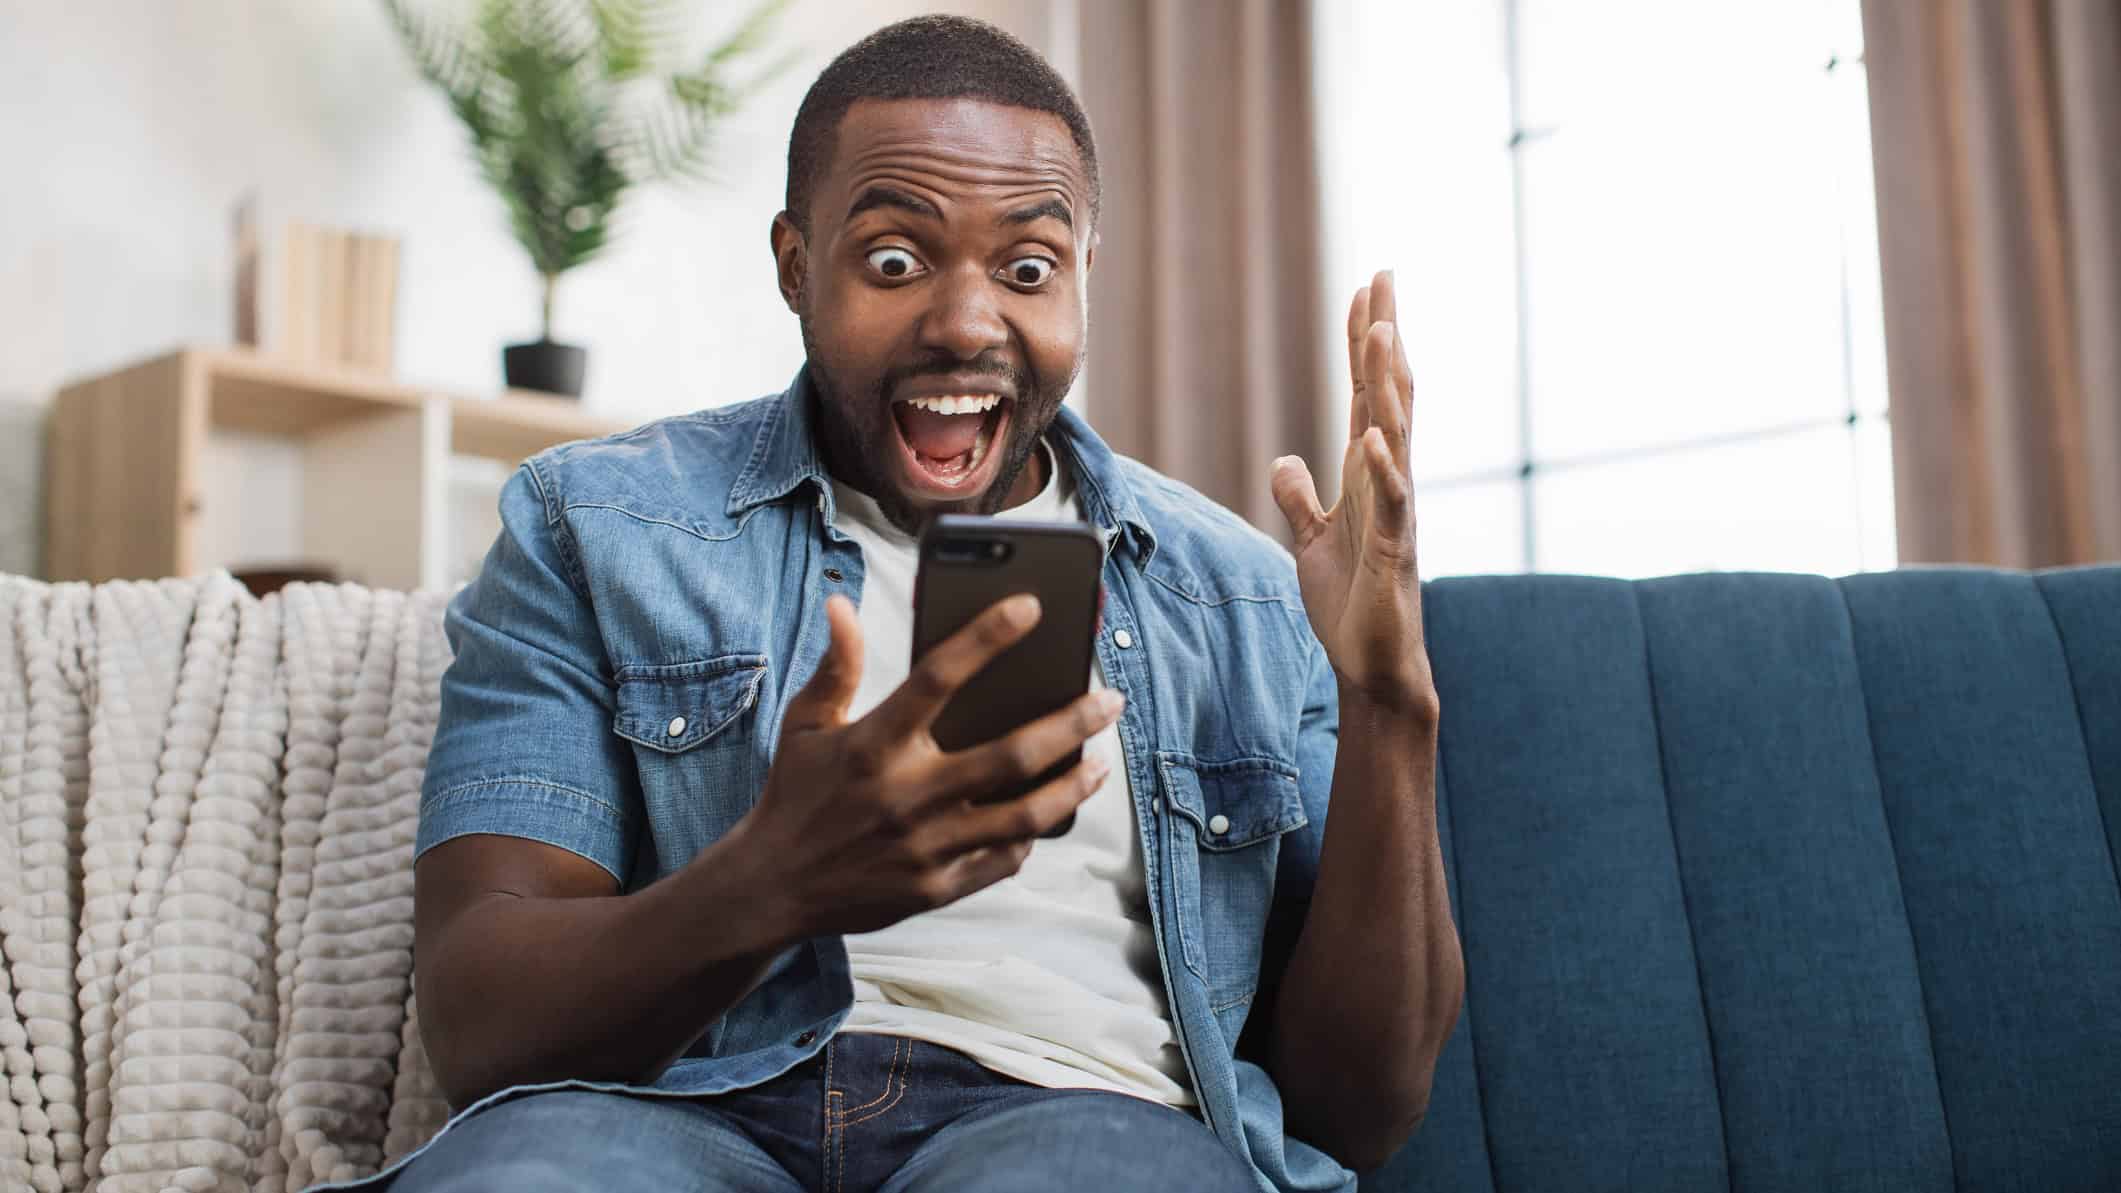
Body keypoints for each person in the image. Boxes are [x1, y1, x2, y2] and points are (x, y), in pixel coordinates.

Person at [353, 15, 1462, 1193]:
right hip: (682, 1114)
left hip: (1071, 1113)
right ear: (794, 263)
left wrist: (1391, 701)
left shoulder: (1243, 591)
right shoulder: (596, 524)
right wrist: (771, 878)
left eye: (1028, 270)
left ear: (1087, 272)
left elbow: (1362, 1109)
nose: (967, 323)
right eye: (894, 260)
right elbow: (480, 1023)